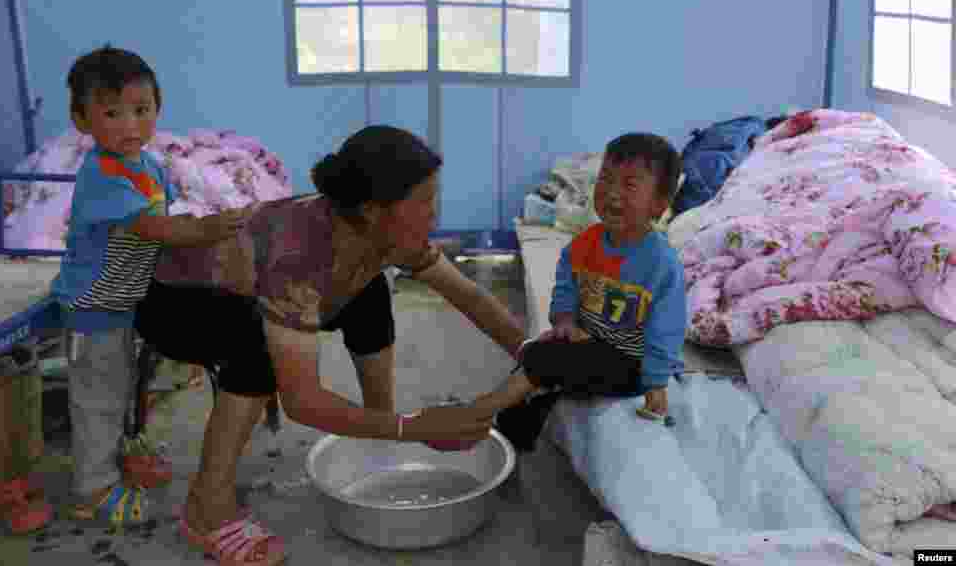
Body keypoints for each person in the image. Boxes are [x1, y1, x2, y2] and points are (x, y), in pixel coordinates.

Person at [137, 124, 531, 565]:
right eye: (423, 201)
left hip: (259, 293)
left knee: (370, 290)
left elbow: (469, 296)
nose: (435, 213)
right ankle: (206, 507)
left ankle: (380, 426)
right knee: (256, 349)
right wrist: (418, 427)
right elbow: (303, 403)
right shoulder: (300, 256)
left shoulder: (386, 234)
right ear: (373, 210)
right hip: (176, 304)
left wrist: (530, 352)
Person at [49, 45, 251, 527]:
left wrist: (207, 233)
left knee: (120, 388)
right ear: (81, 120)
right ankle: (93, 489)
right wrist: (207, 229)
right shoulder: (102, 174)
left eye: (141, 110)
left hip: (125, 300)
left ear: (158, 109)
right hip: (93, 306)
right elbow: (154, 227)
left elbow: (171, 214)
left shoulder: (150, 166)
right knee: (97, 400)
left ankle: (119, 456)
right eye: (112, 113)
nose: (130, 125)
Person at [487, 132, 688, 452]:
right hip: (588, 342)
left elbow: (667, 330)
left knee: (546, 360)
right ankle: (510, 435)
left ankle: (480, 413)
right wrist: (564, 321)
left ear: (659, 204)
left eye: (629, 185)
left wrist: (655, 383)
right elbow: (565, 287)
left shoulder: (661, 263)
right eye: (605, 180)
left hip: (631, 365)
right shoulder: (585, 243)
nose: (612, 193)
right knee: (536, 355)